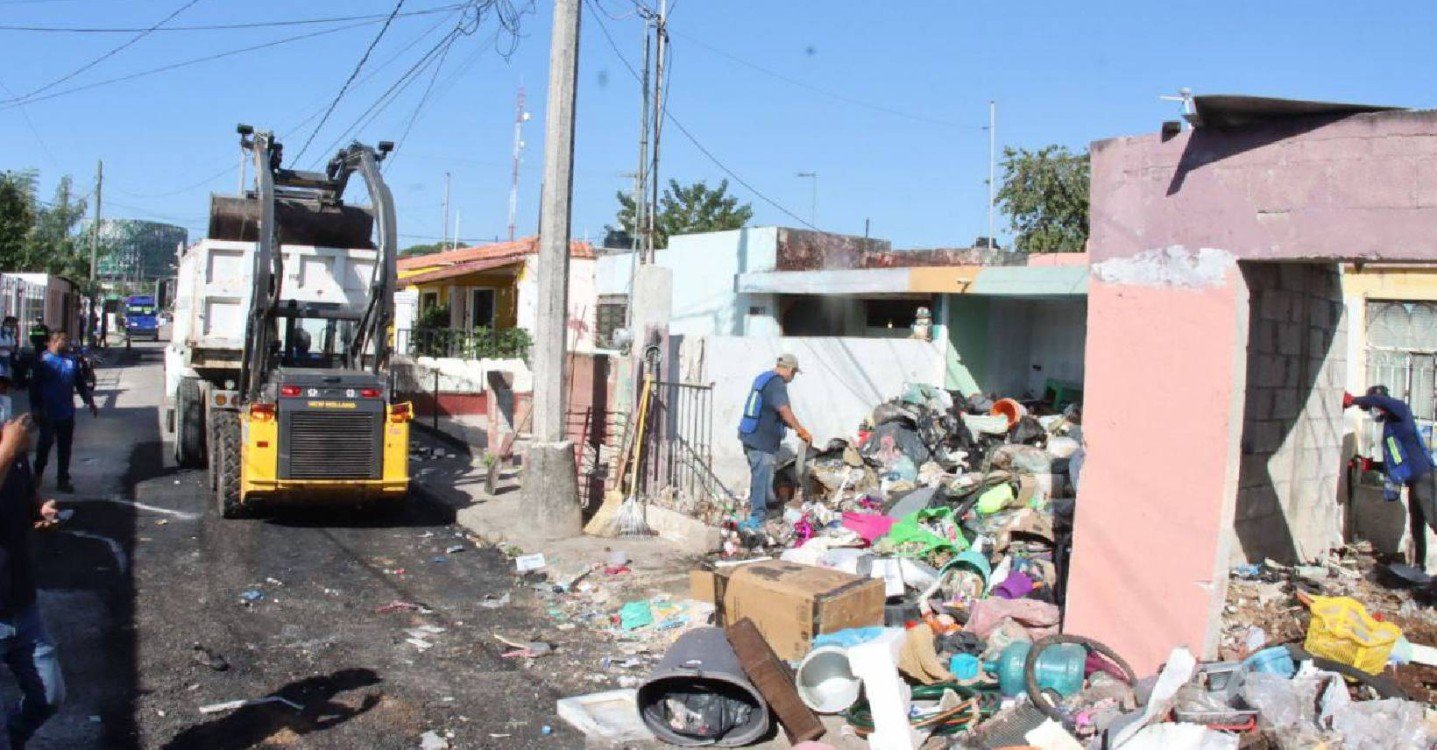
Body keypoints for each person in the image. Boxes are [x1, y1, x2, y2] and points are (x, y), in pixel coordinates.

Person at [0, 407, 65, 748]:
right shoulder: (11, 447)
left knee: (49, 696)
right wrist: (7, 451)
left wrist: (40, 512)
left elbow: (26, 499)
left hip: (22, 607)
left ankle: (16, 733)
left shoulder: (16, 449)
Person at [1346, 385, 1437, 571]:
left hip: (1425, 477)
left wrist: (1354, 400)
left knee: (1433, 520)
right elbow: (1396, 462)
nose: (1373, 412)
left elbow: (1380, 401)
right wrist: (1371, 465)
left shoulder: (1400, 411)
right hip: (1414, 480)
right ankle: (1420, 568)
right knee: (1416, 527)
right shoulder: (1391, 429)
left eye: (1374, 406)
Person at [736, 353, 812, 534]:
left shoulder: (764, 379)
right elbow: (783, 410)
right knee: (761, 478)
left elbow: (772, 411)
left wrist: (789, 425)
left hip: (750, 436)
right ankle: (757, 519)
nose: (792, 378)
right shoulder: (777, 383)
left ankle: (761, 512)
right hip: (760, 440)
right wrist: (800, 429)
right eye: (793, 374)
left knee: (760, 477)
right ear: (790, 370)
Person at [28, 332, 97, 494]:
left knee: (65, 447)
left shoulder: (71, 361)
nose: (66, 343)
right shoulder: (42, 361)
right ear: (53, 342)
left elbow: (79, 383)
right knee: (44, 444)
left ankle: (63, 479)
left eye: (67, 340)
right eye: (63, 340)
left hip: (66, 412)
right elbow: (34, 388)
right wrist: (35, 409)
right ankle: (38, 475)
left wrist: (89, 401)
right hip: (47, 412)